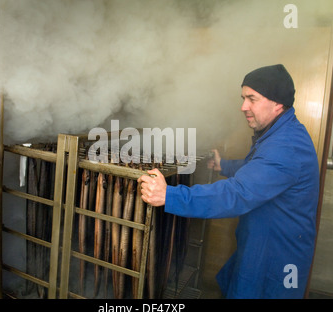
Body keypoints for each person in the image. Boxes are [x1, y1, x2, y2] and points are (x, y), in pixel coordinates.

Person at [137, 64, 320, 299]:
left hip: (277, 260)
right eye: (243, 98)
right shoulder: (277, 135)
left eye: (252, 99)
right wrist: (226, 166)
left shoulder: (287, 147)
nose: (243, 106)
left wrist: (170, 196)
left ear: (277, 103)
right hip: (262, 245)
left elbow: (238, 193)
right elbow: (259, 172)